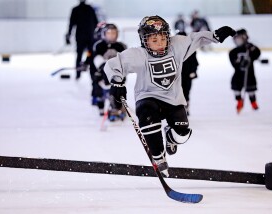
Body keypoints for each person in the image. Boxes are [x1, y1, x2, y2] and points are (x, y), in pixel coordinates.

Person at [103, 15, 235, 176]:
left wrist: (214, 36)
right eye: (153, 40)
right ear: (144, 40)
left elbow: (196, 38)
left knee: (183, 134)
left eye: (163, 38)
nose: (159, 43)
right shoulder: (138, 54)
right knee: (147, 116)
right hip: (147, 97)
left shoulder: (177, 45)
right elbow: (113, 64)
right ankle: (158, 157)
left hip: (173, 99)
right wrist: (117, 82)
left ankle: (171, 138)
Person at [92, 23, 127, 120]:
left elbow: (125, 60)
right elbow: (96, 58)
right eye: (109, 33)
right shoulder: (99, 45)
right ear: (104, 34)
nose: (111, 35)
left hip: (117, 74)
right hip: (102, 74)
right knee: (99, 91)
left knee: (117, 92)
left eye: (113, 33)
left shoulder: (121, 46)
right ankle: (101, 106)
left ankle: (117, 108)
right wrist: (103, 67)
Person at [229, 29, 261, 114]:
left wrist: (253, 49)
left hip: (249, 74)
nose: (237, 41)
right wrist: (240, 64)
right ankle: (239, 101)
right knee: (236, 89)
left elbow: (257, 54)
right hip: (238, 75)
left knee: (251, 90)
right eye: (235, 39)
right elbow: (233, 63)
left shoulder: (250, 48)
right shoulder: (233, 52)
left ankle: (253, 102)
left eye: (238, 38)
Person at [66, 0, 99, 79]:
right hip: (86, 37)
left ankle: (83, 72)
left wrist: (69, 35)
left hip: (84, 37)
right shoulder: (88, 9)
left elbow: (71, 24)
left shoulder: (79, 9)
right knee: (88, 54)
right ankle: (84, 72)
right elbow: (96, 22)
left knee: (85, 54)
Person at [177, 32, 199, 116]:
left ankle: (185, 108)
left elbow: (195, 62)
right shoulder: (173, 49)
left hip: (186, 75)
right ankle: (178, 109)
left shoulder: (191, 50)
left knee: (186, 92)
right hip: (177, 75)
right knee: (177, 92)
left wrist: (193, 71)